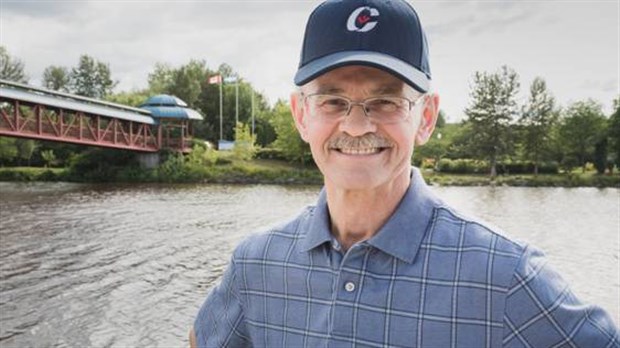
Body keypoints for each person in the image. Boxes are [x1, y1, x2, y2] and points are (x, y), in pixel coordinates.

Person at [191, 0, 620, 347]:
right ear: (301, 115)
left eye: (386, 102)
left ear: (426, 117)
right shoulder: (255, 263)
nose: (357, 126)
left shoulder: (506, 276)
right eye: (333, 101)